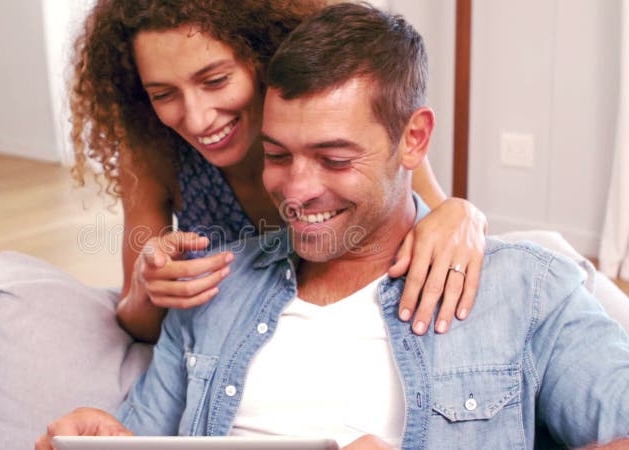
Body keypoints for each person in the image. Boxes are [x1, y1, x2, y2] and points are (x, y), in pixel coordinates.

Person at [38, 3, 629, 448]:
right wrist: (104, 435)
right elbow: (140, 422)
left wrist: (462, 214)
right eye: (276, 155)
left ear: (413, 140)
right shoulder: (211, 289)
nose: (296, 190)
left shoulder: (525, 292)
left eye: (334, 158)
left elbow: (428, 204)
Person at [69, 0, 489, 343]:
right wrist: (148, 287)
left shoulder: (356, 131)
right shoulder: (154, 152)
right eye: (163, 94)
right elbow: (136, 321)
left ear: (262, 55)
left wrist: (464, 213)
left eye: (215, 81)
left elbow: (435, 217)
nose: (196, 119)